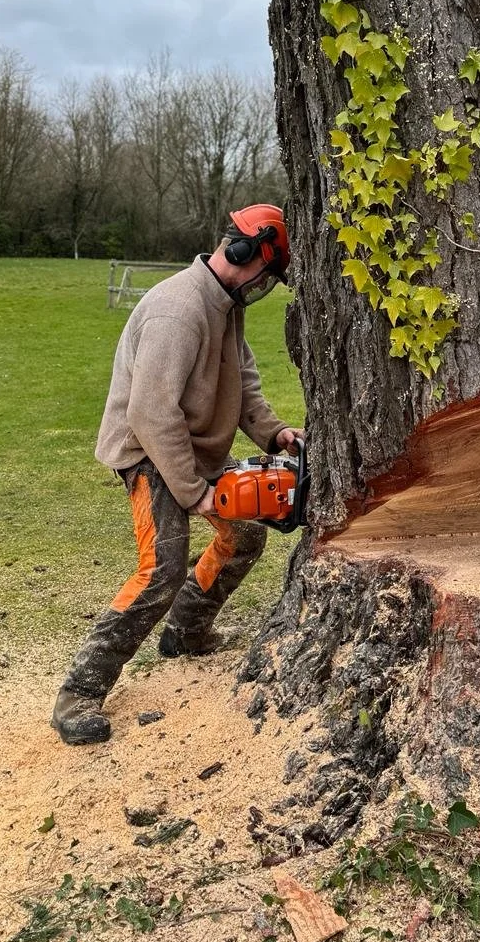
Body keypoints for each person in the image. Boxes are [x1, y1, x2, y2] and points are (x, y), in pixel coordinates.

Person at [51, 204, 303, 746]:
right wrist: (195, 493)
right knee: (160, 568)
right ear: (245, 254)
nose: (266, 287)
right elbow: (150, 413)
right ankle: (80, 690)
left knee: (245, 535)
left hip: (192, 448)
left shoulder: (226, 309)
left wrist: (276, 435)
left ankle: (186, 633)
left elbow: (246, 387)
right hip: (148, 451)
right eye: (269, 273)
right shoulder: (178, 309)